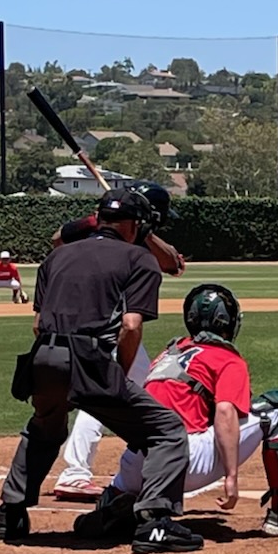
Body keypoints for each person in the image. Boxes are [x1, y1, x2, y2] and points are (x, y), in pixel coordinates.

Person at [0, 187, 203, 554]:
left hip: (42, 356)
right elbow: (131, 325)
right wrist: (118, 373)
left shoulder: (55, 259)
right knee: (166, 430)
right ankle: (155, 522)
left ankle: (11, 513)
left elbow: (38, 323)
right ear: (135, 227)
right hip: (89, 360)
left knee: (45, 427)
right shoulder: (139, 261)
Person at [73, 283, 278, 541]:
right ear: (227, 322)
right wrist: (232, 477)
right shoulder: (226, 358)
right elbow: (224, 413)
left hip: (136, 462)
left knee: (160, 434)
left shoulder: (168, 354)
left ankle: (115, 502)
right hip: (184, 462)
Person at [51, 181, 185, 502]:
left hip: (121, 332)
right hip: (109, 329)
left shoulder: (141, 240)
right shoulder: (99, 232)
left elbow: (174, 264)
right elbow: (56, 240)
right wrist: (91, 221)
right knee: (105, 393)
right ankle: (76, 472)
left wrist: (141, 229)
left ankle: (140, 459)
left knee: (137, 386)